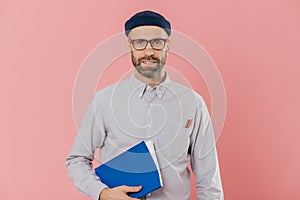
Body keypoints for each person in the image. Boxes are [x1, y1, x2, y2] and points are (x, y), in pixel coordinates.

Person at [65, 10, 224, 200]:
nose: (149, 52)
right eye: (140, 43)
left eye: (157, 42)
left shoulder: (193, 104)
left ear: (168, 46)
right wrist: (103, 193)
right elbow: (76, 160)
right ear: (129, 46)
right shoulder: (104, 101)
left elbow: (209, 179)